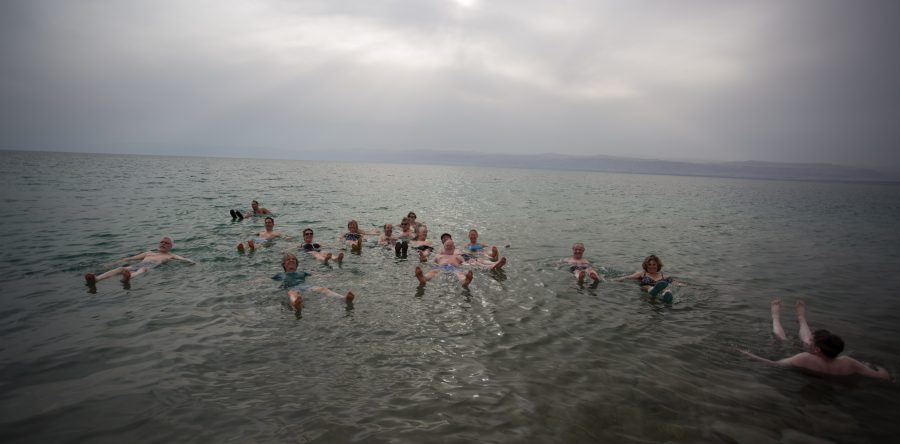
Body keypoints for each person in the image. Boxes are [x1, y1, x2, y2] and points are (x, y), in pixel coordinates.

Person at [740, 300, 889, 380]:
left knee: (783, 339)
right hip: (827, 361)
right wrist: (879, 368)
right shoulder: (848, 363)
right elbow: (882, 376)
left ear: (817, 349)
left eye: (813, 341)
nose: (811, 341)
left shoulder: (805, 358)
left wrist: (748, 354)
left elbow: (774, 364)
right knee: (806, 340)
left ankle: (776, 316)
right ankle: (801, 318)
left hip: (807, 360)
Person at [84, 237, 195, 287]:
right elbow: (130, 258)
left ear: (171, 246)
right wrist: (113, 263)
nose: (163, 244)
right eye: (162, 242)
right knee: (121, 269)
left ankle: (128, 278)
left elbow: (184, 259)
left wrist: (193, 262)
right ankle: (96, 279)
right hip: (137, 265)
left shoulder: (170, 255)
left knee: (143, 269)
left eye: (166, 243)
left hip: (150, 267)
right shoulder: (148, 253)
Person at [274, 253, 354, 311]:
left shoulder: (302, 273)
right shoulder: (280, 275)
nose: (291, 260)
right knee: (292, 294)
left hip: (305, 286)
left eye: (293, 259)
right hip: (291, 287)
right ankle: (296, 304)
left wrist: (328, 276)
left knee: (323, 289)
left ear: (297, 264)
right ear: (284, 265)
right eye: (288, 260)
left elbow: (316, 275)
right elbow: (269, 281)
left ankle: (343, 298)